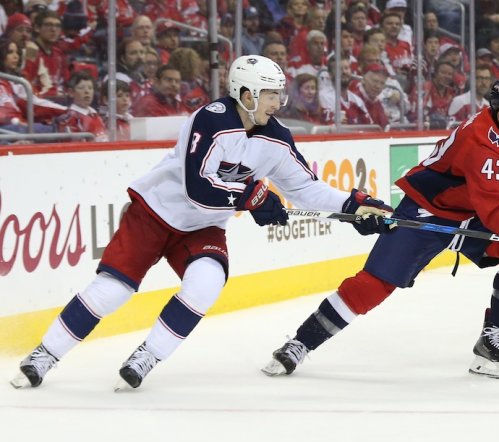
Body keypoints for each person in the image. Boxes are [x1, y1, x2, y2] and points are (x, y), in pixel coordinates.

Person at [11, 55, 394, 390]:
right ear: (247, 95)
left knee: (207, 282)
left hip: (204, 227)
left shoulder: (277, 138)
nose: (279, 101)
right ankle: (44, 355)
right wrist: (251, 197)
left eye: (280, 93)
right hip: (155, 212)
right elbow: (198, 186)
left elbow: (305, 187)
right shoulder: (211, 120)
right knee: (112, 291)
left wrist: (353, 204)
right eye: (272, 94)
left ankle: (146, 356)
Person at [262, 77, 499, 380]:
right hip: (430, 210)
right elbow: (498, 209)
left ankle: (491, 340)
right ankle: (301, 343)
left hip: (474, 210)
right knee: (374, 284)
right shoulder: (480, 140)